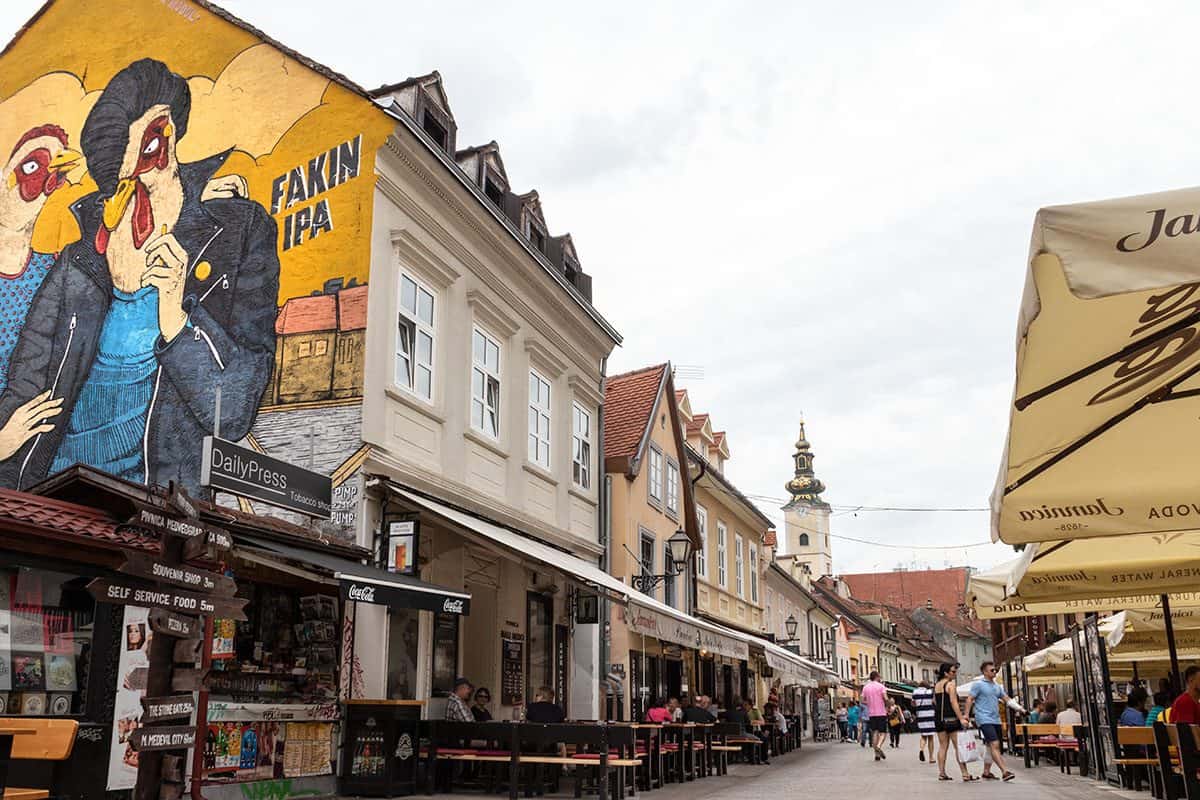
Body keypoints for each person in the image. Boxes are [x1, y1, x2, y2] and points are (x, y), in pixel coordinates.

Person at [963, 661, 1015, 782]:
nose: (994, 671)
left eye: (995, 669)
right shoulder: (978, 684)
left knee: (989, 746)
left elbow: (1007, 699)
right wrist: (966, 715)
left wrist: (1020, 709)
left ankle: (986, 772)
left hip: (996, 719)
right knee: (994, 744)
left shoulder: (997, 686)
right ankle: (1004, 772)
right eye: (992, 670)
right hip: (984, 719)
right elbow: (970, 699)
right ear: (985, 672)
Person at [933, 662, 974, 782]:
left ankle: (942, 773)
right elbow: (953, 702)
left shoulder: (937, 685)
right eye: (953, 672)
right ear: (946, 673)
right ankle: (965, 773)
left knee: (942, 747)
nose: (955, 674)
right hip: (950, 718)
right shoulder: (950, 684)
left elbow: (935, 702)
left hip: (939, 719)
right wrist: (961, 718)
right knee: (958, 747)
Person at [861, 671, 889, 761]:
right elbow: (885, 698)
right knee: (883, 733)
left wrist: (869, 702)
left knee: (875, 732)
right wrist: (888, 705)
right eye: (879, 676)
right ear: (877, 677)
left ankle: (876, 755)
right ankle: (878, 746)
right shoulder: (881, 686)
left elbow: (862, 700)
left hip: (872, 713)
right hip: (881, 712)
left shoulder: (866, 687)